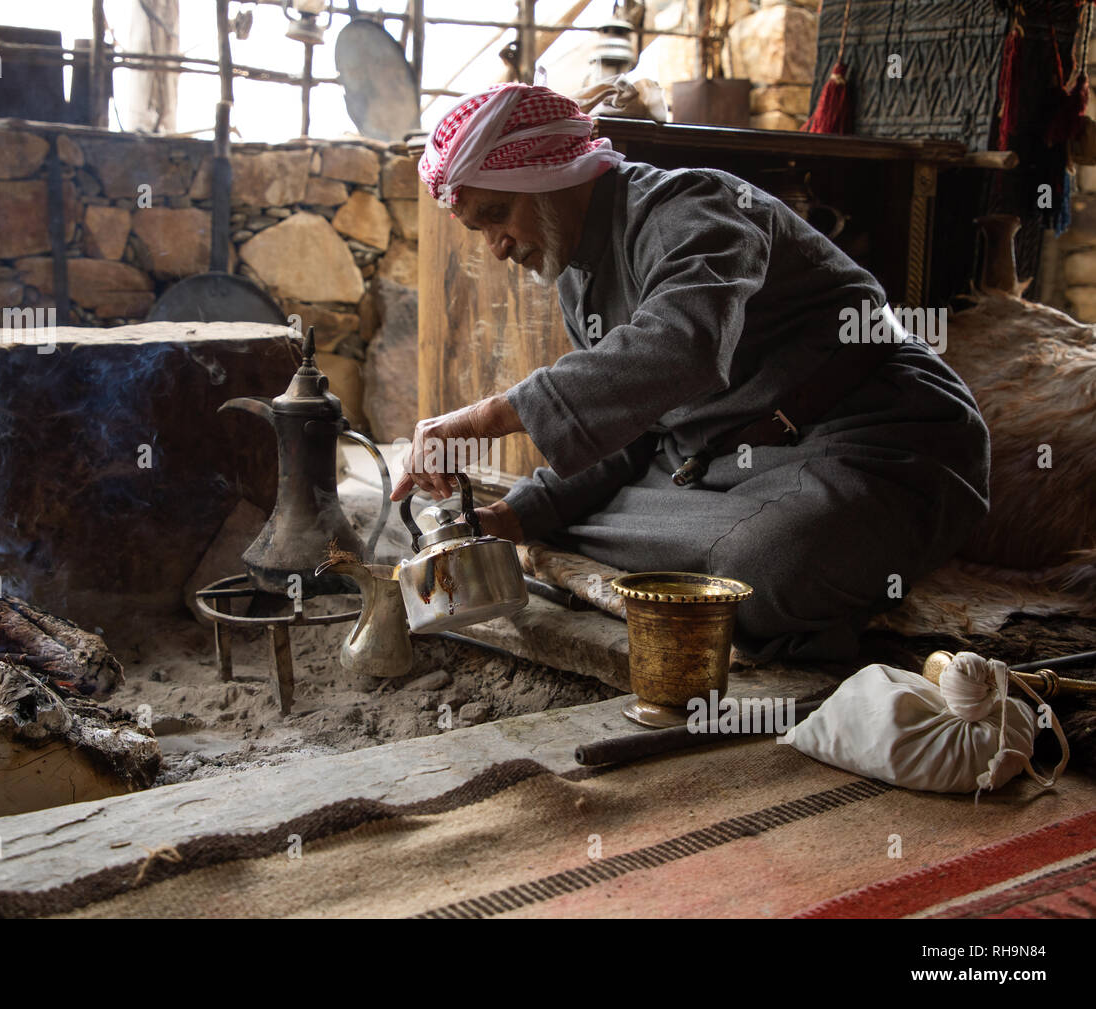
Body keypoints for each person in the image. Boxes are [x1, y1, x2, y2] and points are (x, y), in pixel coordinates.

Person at [391, 83, 989, 661]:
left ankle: (754, 556)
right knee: (555, 525)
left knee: (767, 565)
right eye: (480, 230)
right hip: (722, 466)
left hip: (871, 436)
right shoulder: (578, 274)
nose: (496, 245)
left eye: (498, 215)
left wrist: (486, 417)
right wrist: (515, 516)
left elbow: (685, 344)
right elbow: (637, 433)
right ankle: (708, 545)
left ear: (549, 175)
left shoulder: (696, 204)